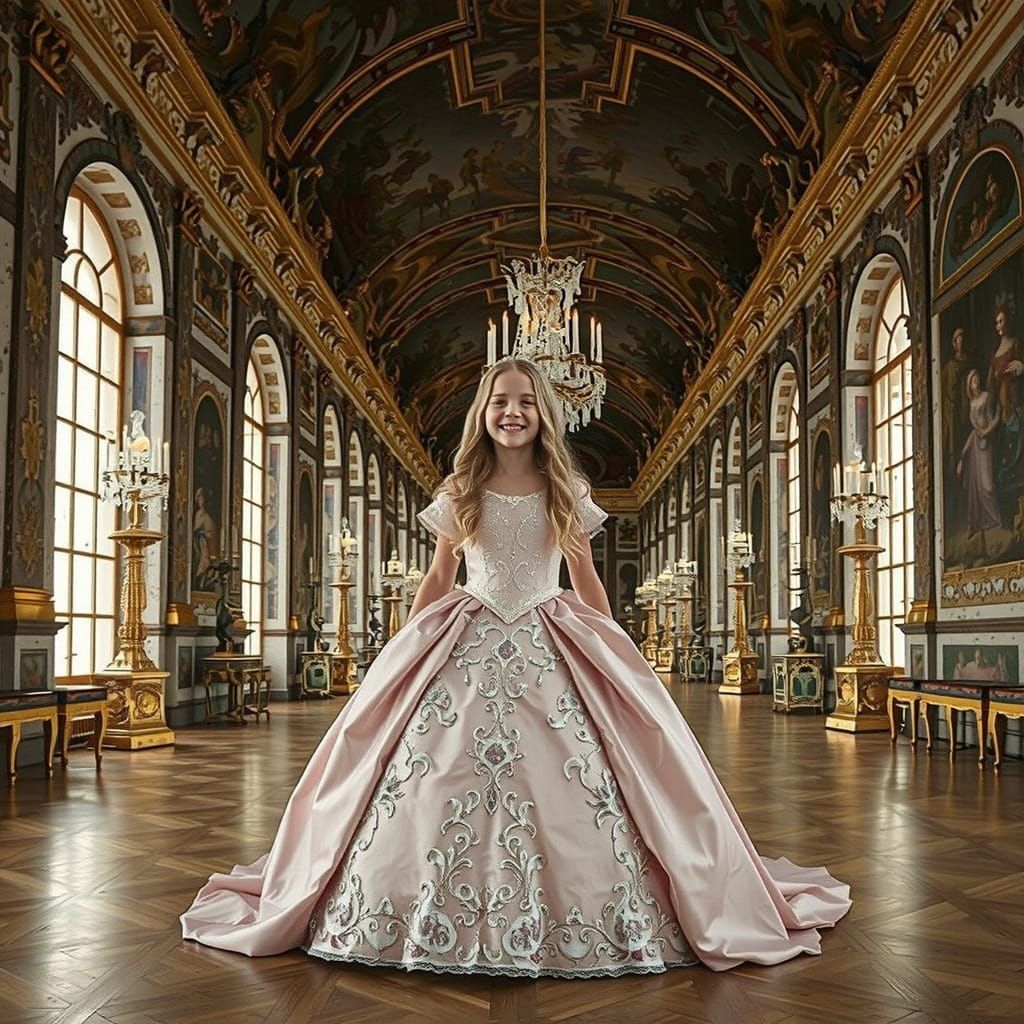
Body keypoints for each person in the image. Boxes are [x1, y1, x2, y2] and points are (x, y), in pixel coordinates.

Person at [181, 358, 850, 977]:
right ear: (483, 411)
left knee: (578, 774)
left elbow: (584, 576)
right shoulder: (460, 487)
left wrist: (613, 649)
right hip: (463, 634)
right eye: (501, 401)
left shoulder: (566, 486)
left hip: (549, 632)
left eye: (526, 401)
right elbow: (442, 573)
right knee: (427, 767)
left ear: (544, 413)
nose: (513, 412)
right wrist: (407, 641)